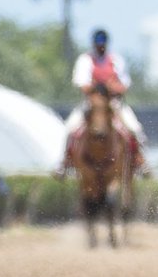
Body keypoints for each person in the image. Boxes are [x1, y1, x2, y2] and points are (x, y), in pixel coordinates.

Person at [58, 29, 148, 176]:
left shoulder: (116, 60)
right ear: (93, 44)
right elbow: (83, 85)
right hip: (91, 104)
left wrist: (110, 87)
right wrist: (103, 85)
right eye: (98, 44)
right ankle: (64, 162)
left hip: (113, 104)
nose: (100, 47)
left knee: (135, 128)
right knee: (70, 128)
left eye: (103, 44)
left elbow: (124, 85)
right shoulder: (85, 60)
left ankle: (140, 161)